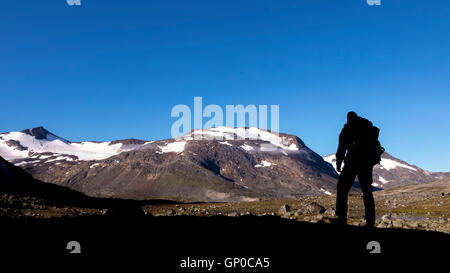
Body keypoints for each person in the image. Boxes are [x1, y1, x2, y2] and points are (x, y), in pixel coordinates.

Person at [335, 111, 377, 227]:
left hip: (352, 162)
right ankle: (370, 222)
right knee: (367, 191)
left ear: (348, 118)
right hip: (366, 163)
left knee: (342, 189)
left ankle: (341, 219)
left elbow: (341, 148)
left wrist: (339, 163)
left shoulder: (347, 129)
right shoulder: (367, 128)